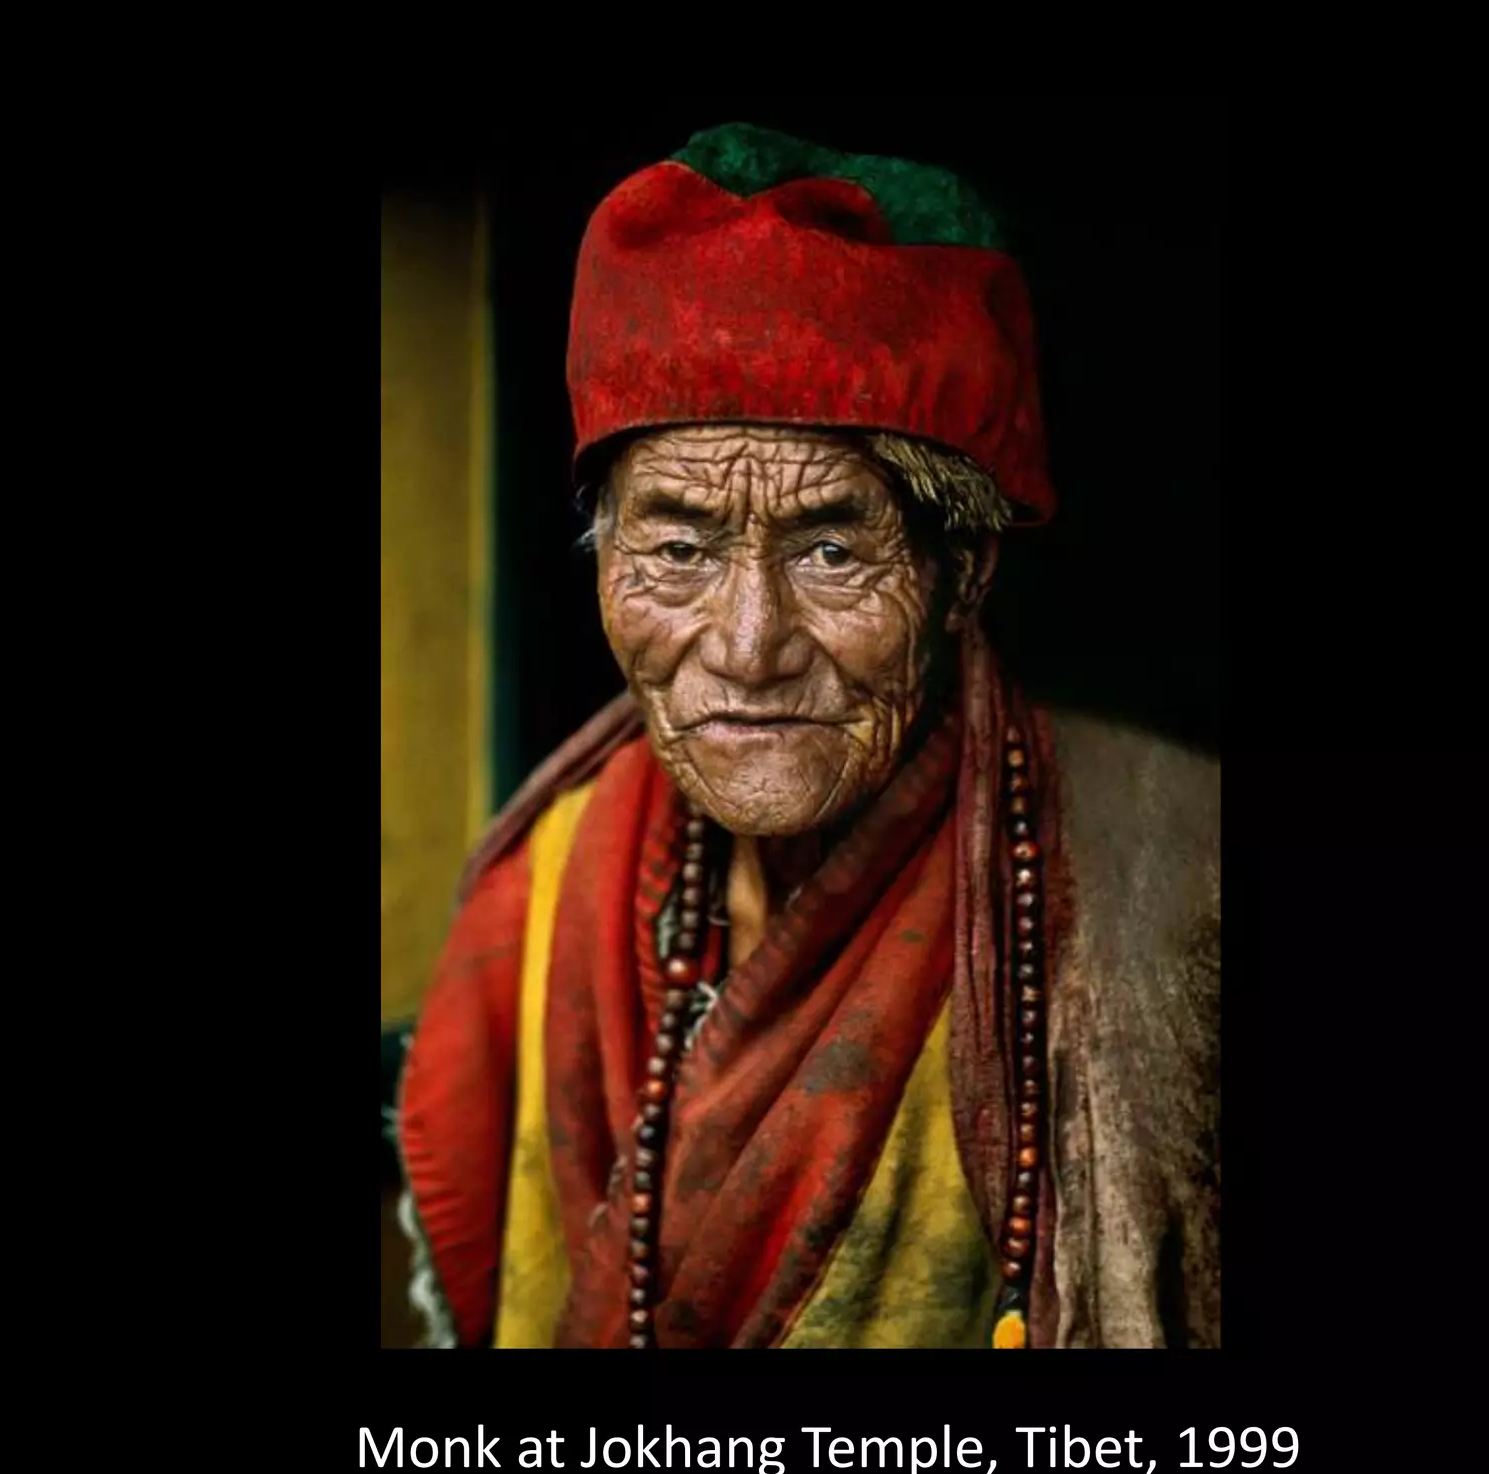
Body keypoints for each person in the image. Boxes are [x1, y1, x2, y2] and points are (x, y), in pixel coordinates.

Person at [394, 123, 1219, 1348]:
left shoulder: (1179, 878)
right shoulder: (545, 887)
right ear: (601, 564)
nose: (745, 645)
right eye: (676, 548)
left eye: (832, 550)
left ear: (959, 576)